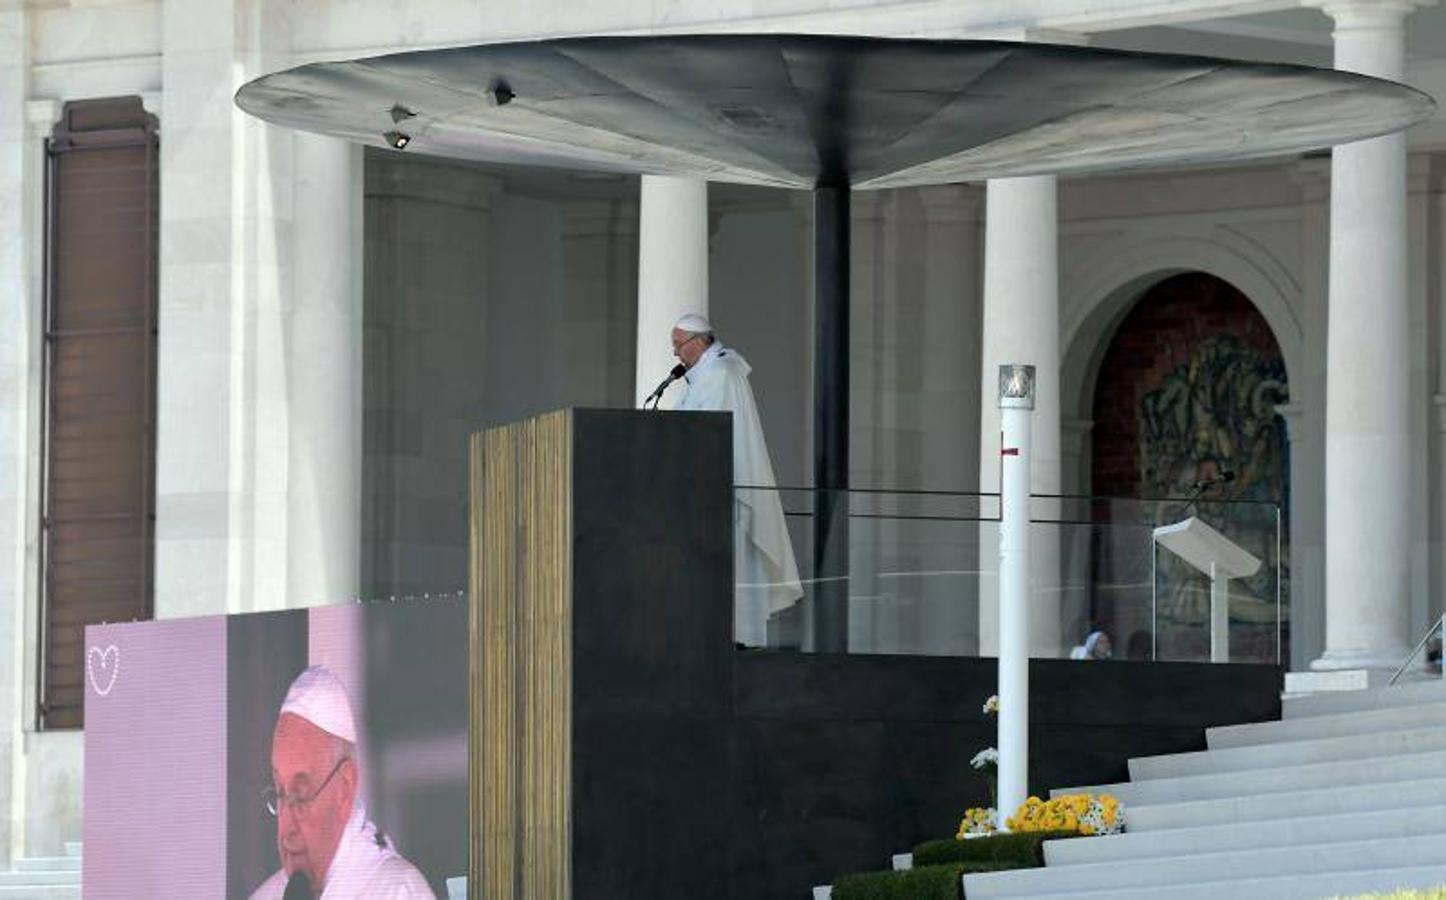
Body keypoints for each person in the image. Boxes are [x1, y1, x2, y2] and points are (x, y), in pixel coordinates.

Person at [670, 313, 804, 647]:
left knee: (735, 568)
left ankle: (735, 636)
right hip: (702, 498)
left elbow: (706, 435)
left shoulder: (722, 374)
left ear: (699, 341)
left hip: (723, 496)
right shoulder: (703, 377)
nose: (676, 354)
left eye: (679, 345)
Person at [249, 667, 435, 900]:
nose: (287, 831)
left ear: (345, 787)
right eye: (280, 793)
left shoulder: (397, 891)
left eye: (300, 797)